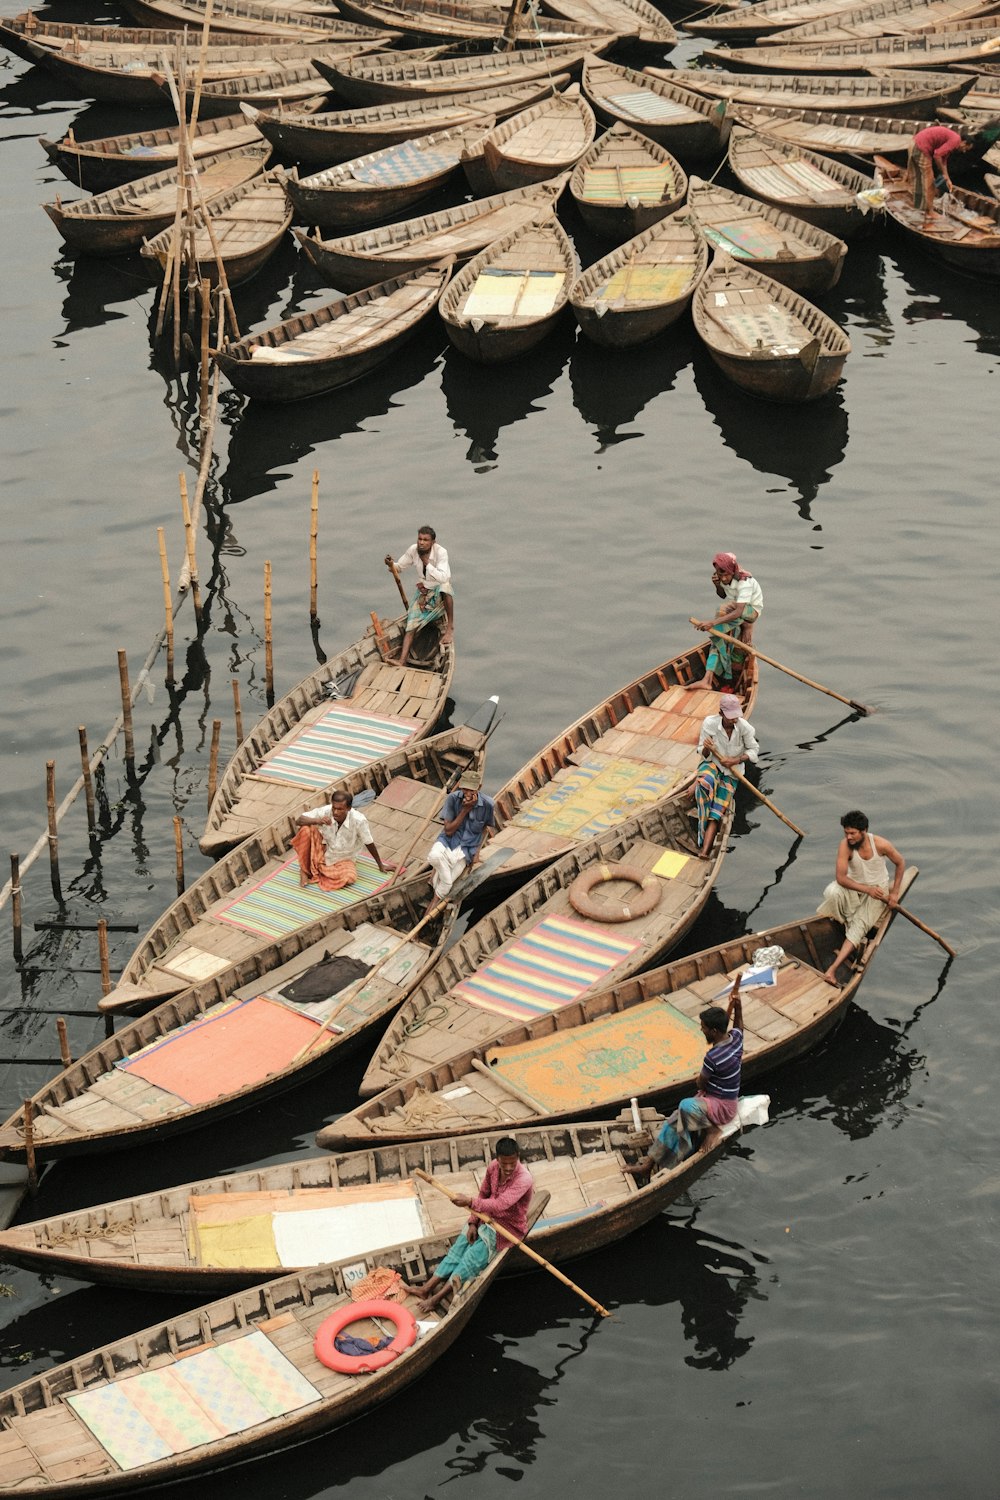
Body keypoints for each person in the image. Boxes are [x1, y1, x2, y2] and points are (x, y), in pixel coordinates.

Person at [625, 980, 744, 1181]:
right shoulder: (737, 1039)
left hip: (723, 1107)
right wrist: (738, 1006)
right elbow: (739, 1025)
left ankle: (712, 1130)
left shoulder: (713, 1057)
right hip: (713, 1100)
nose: (701, 1030)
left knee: (685, 1105)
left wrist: (701, 1079)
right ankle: (648, 1164)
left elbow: (701, 1084)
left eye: (704, 1028)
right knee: (674, 1119)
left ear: (714, 1031)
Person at [404, 1138, 533, 1314]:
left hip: (505, 1229)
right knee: (458, 1249)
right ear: (498, 1159)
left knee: (470, 1260)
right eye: (505, 1163)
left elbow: (500, 1204)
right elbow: (484, 1194)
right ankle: (426, 1288)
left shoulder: (524, 1178)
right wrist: (473, 1221)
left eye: (512, 1163)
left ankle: (436, 1298)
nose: (509, 1168)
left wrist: (470, 1202)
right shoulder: (493, 1168)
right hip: (483, 1216)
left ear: (518, 1157)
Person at [816, 811, 906, 987]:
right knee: (832, 892)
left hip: (878, 893)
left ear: (864, 831)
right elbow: (841, 878)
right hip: (855, 887)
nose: (848, 837)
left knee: (860, 925)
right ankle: (849, 922)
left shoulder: (881, 844)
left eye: (852, 833)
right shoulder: (845, 845)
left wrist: (894, 894)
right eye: (846, 833)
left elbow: (900, 863)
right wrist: (866, 889)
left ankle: (832, 970)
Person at [693, 693, 760, 860]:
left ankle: (704, 852)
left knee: (716, 814)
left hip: (732, 773)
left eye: (736, 716)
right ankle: (698, 787)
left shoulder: (744, 728)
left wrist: (735, 760)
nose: (734, 719)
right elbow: (702, 752)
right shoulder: (710, 724)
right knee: (705, 783)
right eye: (730, 717)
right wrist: (708, 748)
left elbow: (753, 750)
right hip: (713, 765)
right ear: (721, 713)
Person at [290, 789, 396, 892]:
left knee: (349, 877)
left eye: (340, 809)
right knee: (305, 830)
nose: (335, 812)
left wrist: (380, 865)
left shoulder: (359, 820)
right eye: (334, 808)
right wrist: (318, 820)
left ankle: (316, 870)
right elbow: (299, 820)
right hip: (324, 850)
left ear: (349, 808)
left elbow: (369, 842)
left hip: (343, 859)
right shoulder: (327, 811)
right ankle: (304, 871)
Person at [687, 552, 764, 692]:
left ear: (732, 571)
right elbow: (723, 595)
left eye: (724, 574)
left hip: (751, 612)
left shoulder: (744, 583)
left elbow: (739, 611)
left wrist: (712, 623)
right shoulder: (723, 577)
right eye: (719, 573)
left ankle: (746, 626)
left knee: (722, 610)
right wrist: (718, 586)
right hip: (735, 608)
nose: (722, 577)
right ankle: (707, 679)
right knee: (716, 638)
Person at [385, 525, 453, 667]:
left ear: (433, 542)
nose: (421, 542)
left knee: (446, 587)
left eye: (425, 540)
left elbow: (443, 577)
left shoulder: (441, 553)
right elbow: (399, 567)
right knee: (410, 625)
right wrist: (391, 564)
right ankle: (402, 661)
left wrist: (427, 563)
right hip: (424, 592)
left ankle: (449, 629)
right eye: (420, 539)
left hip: (438, 592)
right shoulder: (413, 550)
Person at [427, 768, 495, 901]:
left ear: (479, 787)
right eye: (464, 789)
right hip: (448, 841)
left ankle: (436, 888)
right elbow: (448, 831)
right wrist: (465, 810)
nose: (467, 793)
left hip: (466, 850)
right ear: (460, 786)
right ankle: (437, 877)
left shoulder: (488, 804)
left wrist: (477, 853)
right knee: (435, 857)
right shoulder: (452, 799)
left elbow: (484, 828)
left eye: (471, 790)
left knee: (444, 886)